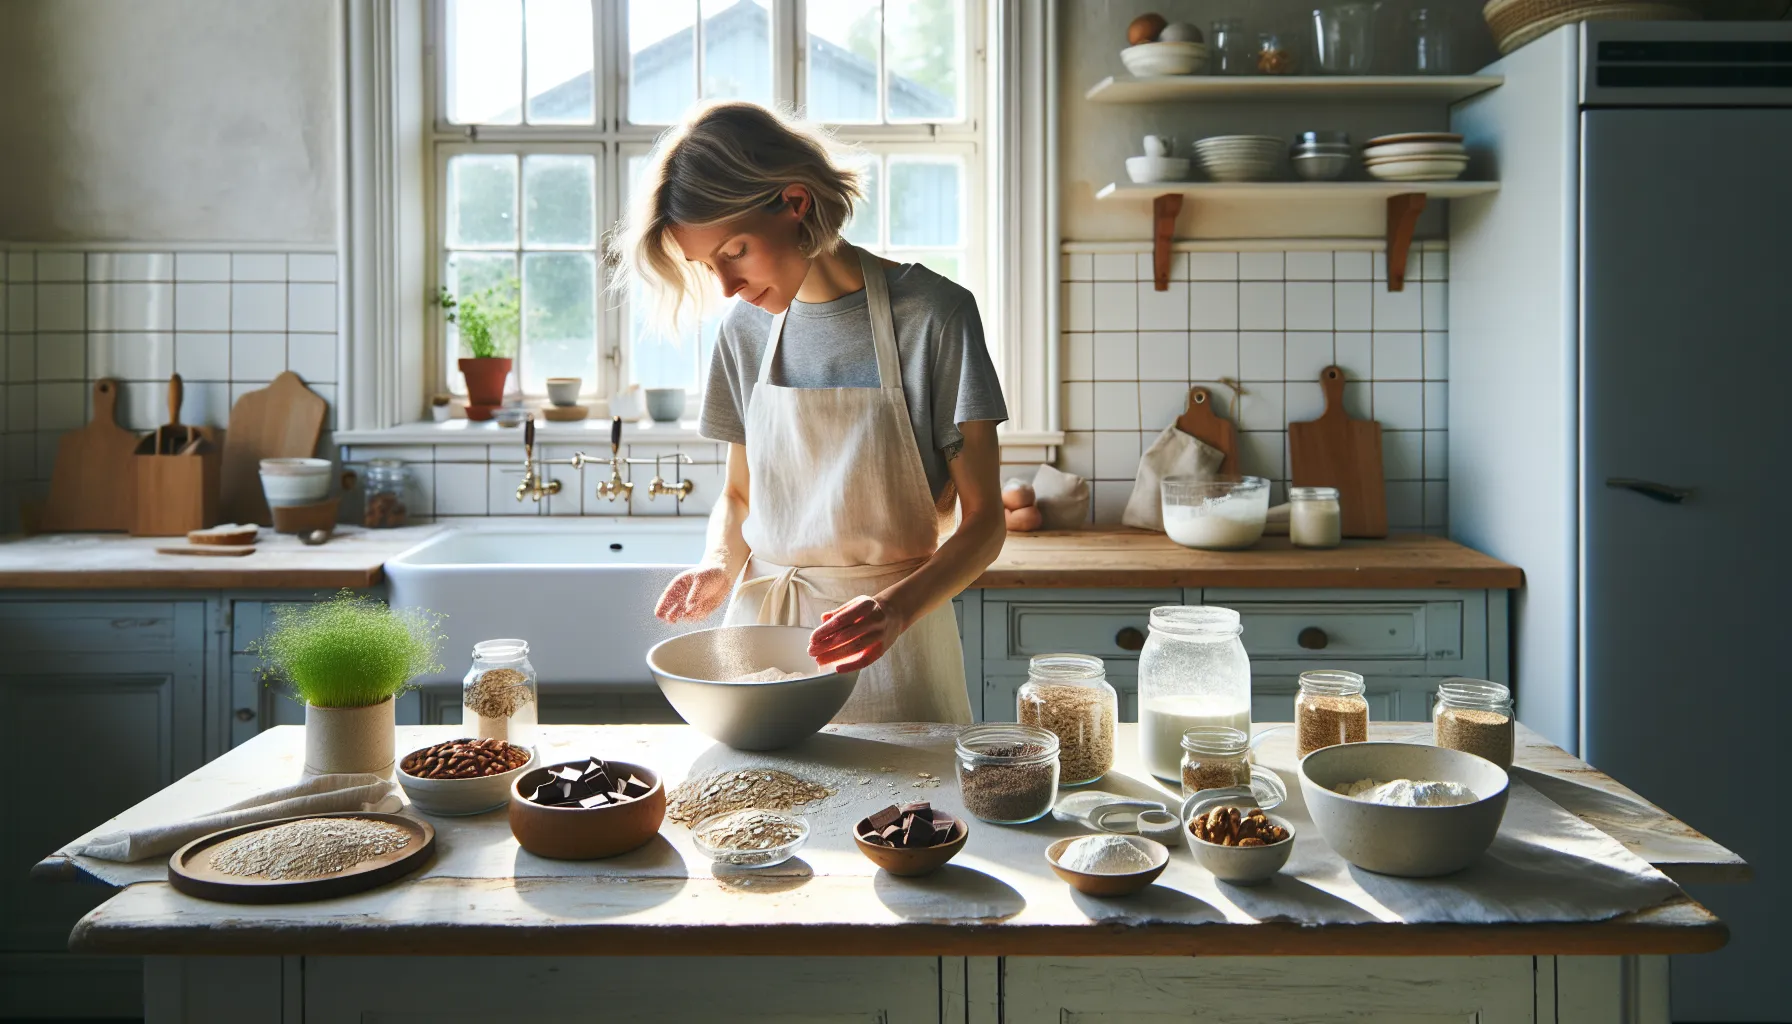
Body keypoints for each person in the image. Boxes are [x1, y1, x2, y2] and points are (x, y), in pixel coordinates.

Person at [615, 101, 1007, 724]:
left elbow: (985, 523)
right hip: (761, 645)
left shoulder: (935, 316)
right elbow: (739, 496)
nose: (727, 287)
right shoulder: (743, 331)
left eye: (735, 251)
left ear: (795, 202)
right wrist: (720, 563)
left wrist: (896, 611)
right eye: (707, 266)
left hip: (893, 645)